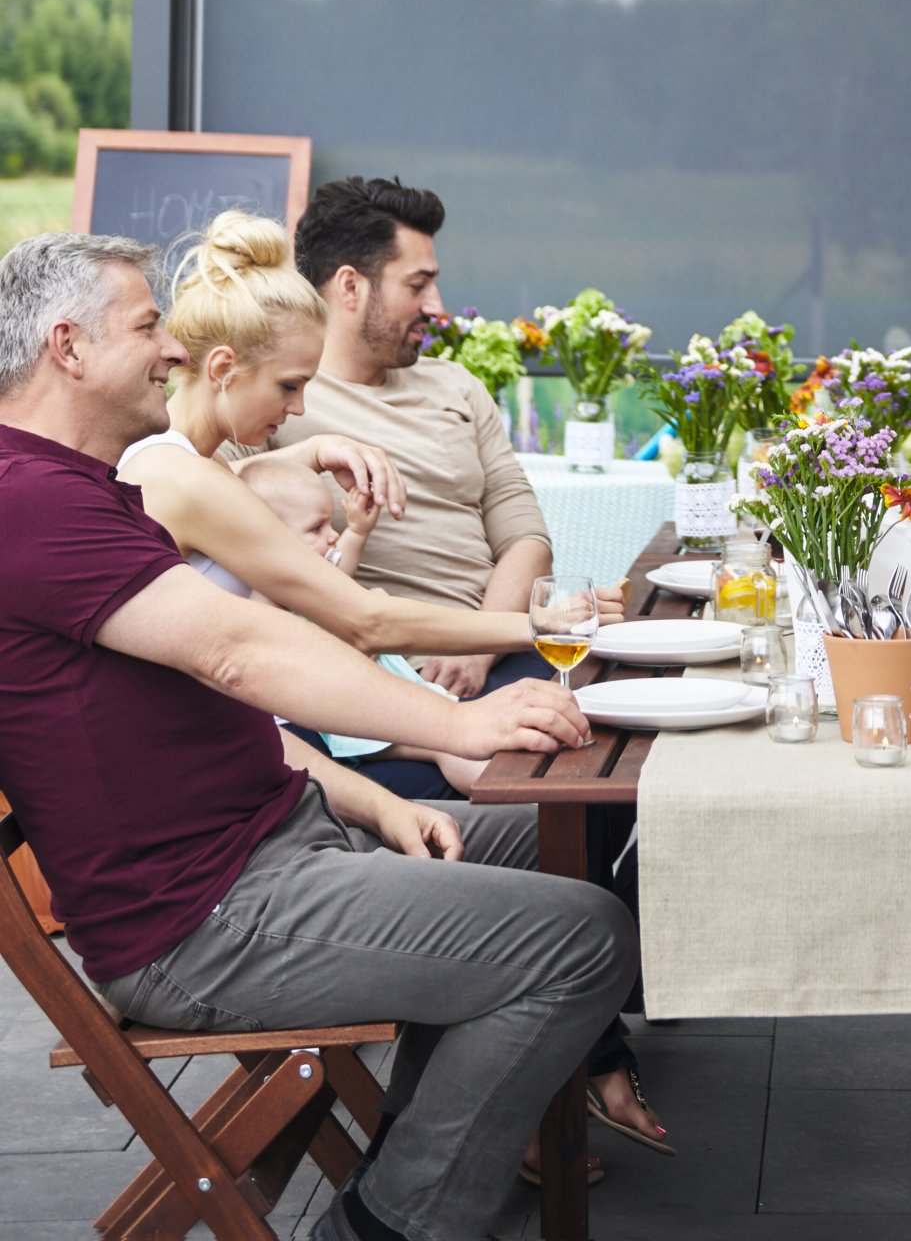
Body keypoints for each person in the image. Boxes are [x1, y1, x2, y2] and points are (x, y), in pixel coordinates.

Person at [0, 230, 636, 1241]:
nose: (169, 349)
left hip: (279, 843)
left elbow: (226, 687)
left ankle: (422, 1157)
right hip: (204, 918)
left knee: (581, 834)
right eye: (146, 326)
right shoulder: (26, 502)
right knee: (575, 939)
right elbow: (240, 652)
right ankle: (388, 1223)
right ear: (67, 346)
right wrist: (456, 722)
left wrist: (376, 794)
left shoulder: (79, 489)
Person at [124, 207, 668, 1158]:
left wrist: (379, 797)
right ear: (221, 371)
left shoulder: (207, 469)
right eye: (291, 387)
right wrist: (527, 643)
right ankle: (441, 1169)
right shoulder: (175, 479)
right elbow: (358, 618)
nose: (299, 408)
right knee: (574, 912)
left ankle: (462, 1134)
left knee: (570, 844)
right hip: (228, 875)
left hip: (280, 795)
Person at [272, 176, 551, 701]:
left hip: (503, 648)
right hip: (394, 682)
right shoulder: (277, 400)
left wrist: (479, 650)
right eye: (417, 285)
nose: (436, 305)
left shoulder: (457, 385)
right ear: (350, 286)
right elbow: (197, 489)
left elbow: (527, 539)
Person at [243, 456, 489, 797]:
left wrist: (358, 529)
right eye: (317, 529)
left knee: (457, 724)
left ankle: (525, 792)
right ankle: (515, 800)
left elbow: (338, 566)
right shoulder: (267, 605)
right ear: (271, 540)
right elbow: (298, 659)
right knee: (445, 745)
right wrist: (355, 639)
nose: (332, 537)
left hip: (379, 695)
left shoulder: (311, 583)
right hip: (348, 718)